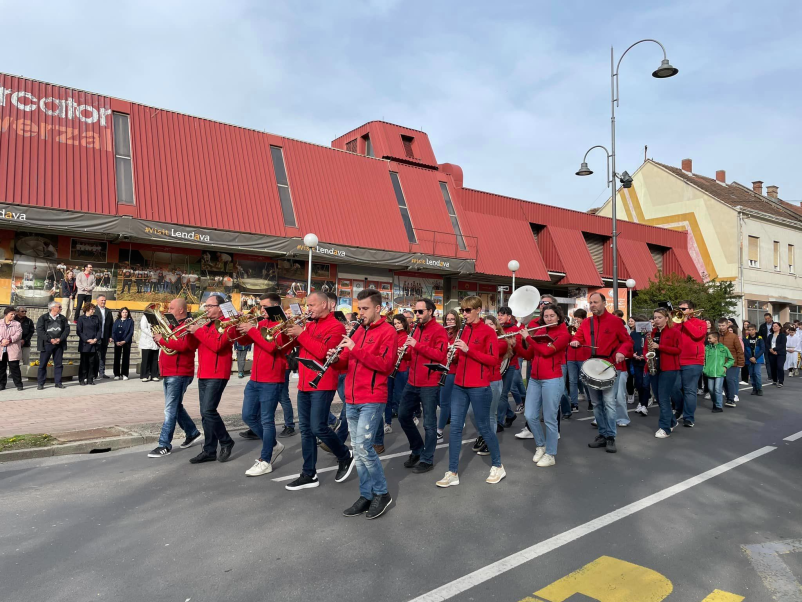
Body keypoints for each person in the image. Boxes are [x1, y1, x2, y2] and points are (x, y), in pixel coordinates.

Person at [329, 289, 396, 519]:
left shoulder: (388, 332)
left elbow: (386, 365)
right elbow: (347, 363)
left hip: (372, 397)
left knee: (366, 449)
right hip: (352, 397)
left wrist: (355, 349)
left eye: (365, 309)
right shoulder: (358, 330)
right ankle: (366, 494)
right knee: (358, 450)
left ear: (378, 308)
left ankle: (382, 493)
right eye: (359, 309)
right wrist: (337, 357)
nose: (361, 313)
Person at [283, 291, 355, 491]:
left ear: (325, 305)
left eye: (312, 305)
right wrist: (289, 331)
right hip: (304, 383)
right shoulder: (309, 324)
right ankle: (309, 474)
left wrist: (301, 334)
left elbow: (323, 353)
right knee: (305, 430)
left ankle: (345, 455)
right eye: (308, 305)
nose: (308, 309)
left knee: (318, 427)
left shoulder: (336, 326)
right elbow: (291, 345)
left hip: (323, 382)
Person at [436, 295, 505, 487]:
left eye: (467, 310)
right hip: (459, 384)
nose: (464, 314)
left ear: (477, 310)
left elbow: (492, 360)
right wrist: (454, 354)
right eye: (462, 310)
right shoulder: (463, 330)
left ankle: (498, 465)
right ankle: (452, 472)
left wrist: (467, 350)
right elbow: (462, 356)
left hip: (480, 386)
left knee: (483, 427)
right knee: (455, 427)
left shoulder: (488, 332)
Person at [234, 295, 289, 477]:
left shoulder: (283, 325)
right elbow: (243, 342)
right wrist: (239, 327)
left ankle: (265, 460)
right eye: (261, 306)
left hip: (272, 378)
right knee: (248, 416)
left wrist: (252, 330)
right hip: (255, 378)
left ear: (275, 307)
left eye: (265, 307)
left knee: (267, 420)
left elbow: (272, 347)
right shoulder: (261, 323)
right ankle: (273, 444)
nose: (261, 310)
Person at [570, 293, 632, 451]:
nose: (592, 305)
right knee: (597, 403)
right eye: (590, 302)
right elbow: (578, 337)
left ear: (604, 303)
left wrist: (622, 352)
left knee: (610, 403)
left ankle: (611, 436)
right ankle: (603, 434)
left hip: (610, 366)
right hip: (591, 366)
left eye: (595, 302)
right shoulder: (587, 323)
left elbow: (627, 341)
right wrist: (575, 341)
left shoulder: (616, 322)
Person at [395, 299, 448, 473]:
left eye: (420, 312)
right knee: (403, 415)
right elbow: (414, 354)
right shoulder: (416, 329)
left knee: (429, 424)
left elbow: (440, 355)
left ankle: (427, 459)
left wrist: (416, 345)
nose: (416, 315)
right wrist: (405, 354)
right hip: (412, 381)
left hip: (429, 383)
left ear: (430, 312)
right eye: (415, 311)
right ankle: (417, 449)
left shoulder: (439, 330)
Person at [147, 298, 202, 458]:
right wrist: (158, 339)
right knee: (175, 406)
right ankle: (192, 432)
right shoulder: (172, 325)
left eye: (171, 308)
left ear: (181, 311)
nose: (168, 311)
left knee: (169, 409)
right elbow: (167, 345)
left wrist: (163, 339)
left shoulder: (188, 326)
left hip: (180, 372)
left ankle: (164, 444)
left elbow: (184, 346)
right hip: (169, 371)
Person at [185, 294, 236, 464]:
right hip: (204, 372)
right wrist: (190, 332)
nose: (205, 309)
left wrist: (198, 331)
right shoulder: (204, 323)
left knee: (208, 410)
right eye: (205, 306)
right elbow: (193, 346)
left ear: (220, 307)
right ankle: (209, 450)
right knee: (205, 414)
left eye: (209, 306)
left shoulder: (228, 323)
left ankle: (226, 441)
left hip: (218, 372)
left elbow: (216, 345)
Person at [518, 304, 569, 467]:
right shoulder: (540, 331)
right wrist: (516, 343)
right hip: (535, 378)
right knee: (530, 415)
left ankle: (551, 454)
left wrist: (528, 338)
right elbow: (528, 354)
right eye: (546, 316)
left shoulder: (564, 334)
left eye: (552, 316)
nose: (548, 319)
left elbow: (547, 352)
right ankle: (541, 445)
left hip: (552, 379)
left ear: (558, 317)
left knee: (549, 418)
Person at [378, 313, 412, 452]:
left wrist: (403, 352)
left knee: (400, 397)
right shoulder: (391, 335)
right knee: (387, 398)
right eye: (395, 323)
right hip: (390, 369)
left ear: (404, 323)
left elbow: (410, 354)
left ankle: (410, 416)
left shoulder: (407, 336)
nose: (397, 325)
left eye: (399, 323)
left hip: (402, 369)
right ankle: (387, 423)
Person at [673, 300, 708, 428]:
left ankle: (688, 417)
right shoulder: (676, 323)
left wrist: (686, 321)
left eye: (683, 309)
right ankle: (680, 409)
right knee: (674, 387)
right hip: (676, 360)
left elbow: (698, 335)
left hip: (693, 361)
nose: (680, 311)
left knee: (690, 390)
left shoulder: (701, 323)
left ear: (691, 310)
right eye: (679, 309)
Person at [649, 308, 682, 438]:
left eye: (659, 317)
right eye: (655, 317)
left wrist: (659, 347)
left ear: (667, 319)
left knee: (663, 398)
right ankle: (672, 421)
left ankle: (665, 428)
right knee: (658, 397)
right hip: (654, 367)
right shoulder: (652, 332)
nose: (656, 320)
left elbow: (678, 350)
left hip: (669, 368)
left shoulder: (674, 332)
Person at [498, 306, 526, 423]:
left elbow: (518, 349)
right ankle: (509, 414)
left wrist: (513, 345)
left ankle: (499, 422)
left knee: (503, 394)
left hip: (510, 365)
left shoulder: (515, 329)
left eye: (502, 315)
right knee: (499, 393)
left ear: (509, 317)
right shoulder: (497, 328)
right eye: (498, 314)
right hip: (498, 365)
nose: (499, 317)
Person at [437, 309, 461, 440]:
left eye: (452, 319)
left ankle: (439, 431)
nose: (450, 322)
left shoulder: (459, 334)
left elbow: (459, 357)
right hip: (441, 370)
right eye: (448, 319)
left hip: (452, 372)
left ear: (456, 320)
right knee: (444, 402)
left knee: (446, 402)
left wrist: (450, 351)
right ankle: (456, 422)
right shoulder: (443, 333)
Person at [35, 301, 69, 390]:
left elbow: (66, 330)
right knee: (43, 364)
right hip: (47, 344)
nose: (61, 308)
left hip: (59, 344)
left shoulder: (62, 318)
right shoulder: (43, 318)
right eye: (59, 307)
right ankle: (41, 383)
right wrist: (50, 339)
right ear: (53, 308)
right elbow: (40, 330)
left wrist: (60, 339)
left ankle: (58, 382)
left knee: (58, 364)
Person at [566, 308, 590, 413]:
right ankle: (574, 404)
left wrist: (580, 331)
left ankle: (591, 401)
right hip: (571, 356)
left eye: (579, 318)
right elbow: (568, 339)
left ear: (583, 318)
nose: (577, 321)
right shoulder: (572, 327)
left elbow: (588, 340)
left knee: (585, 380)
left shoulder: (588, 326)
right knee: (572, 381)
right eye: (575, 318)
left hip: (582, 356)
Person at [717, 319, 745, 408]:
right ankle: (728, 397)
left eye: (723, 325)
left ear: (727, 326)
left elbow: (739, 350)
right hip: (720, 363)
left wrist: (741, 362)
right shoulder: (717, 337)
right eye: (720, 325)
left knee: (730, 379)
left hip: (732, 363)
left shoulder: (734, 336)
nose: (721, 327)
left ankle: (731, 399)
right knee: (724, 381)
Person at [703, 331, 733, 413]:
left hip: (720, 373)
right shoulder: (707, 348)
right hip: (710, 372)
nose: (708, 340)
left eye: (710, 338)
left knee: (717, 389)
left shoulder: (723, 348)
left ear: (716, 338)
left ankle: (718, 406)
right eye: (708, 338)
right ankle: (715, 402)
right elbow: (703, 360)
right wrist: (704, 368)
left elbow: (731, 359)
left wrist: (725, 366)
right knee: (710, 389)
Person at [629, 316, 652, 416]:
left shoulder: (649, 334)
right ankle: (640, 402)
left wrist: (645, 356)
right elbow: (630, 346)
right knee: (638, 383)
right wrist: (633, 354)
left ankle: (644, 405)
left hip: (647, 362)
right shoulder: (633, 334)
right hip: (636, 361)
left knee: (645, 384)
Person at [76, 302, 100, 386]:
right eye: (92, 309)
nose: (93, 311)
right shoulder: (81, 318)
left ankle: (90, 378)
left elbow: (99, 330)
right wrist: (87, 340)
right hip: (85, 344)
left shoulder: (96, 318)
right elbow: (79, 331)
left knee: (92, 362)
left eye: (94, 309)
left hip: (94, 343)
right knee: (84, 362)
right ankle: (82, 378)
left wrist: (96, 339)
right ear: (87, 309)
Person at [0, 306, 24, 391]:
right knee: (1, 367)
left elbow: (18, 334)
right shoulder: (0, 323)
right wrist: (2, 340)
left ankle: (19, 384)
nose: (13, 316)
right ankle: (2, 384)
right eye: (11, 314)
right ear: (6, 314)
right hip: (1, 348)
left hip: (12, 348)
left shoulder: (17, 324)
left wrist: (9, 340)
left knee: (14, 367)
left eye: (14, 314)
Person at [94, 294, 114, 379]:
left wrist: (110, 336)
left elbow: (111, 325)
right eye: (102, 300)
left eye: (104, 300)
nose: (103, 302)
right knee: (95, 355)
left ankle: (102, 372)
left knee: (103, 355)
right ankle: (94, 373)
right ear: (97, 301)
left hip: (105, 337)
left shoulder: (108, 311)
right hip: (95, 337)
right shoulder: (94, 310)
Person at [112, 307, 134, 380]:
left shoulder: (130, 321)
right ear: (120, 313)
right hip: (117, 341)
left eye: (126, 312)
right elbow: (113, 331)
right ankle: (116, 374)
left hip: (126, 342)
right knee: (117, 358)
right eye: (123, 312)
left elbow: (131, 332)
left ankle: (125, 374)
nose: (125, 314)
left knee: (126, 358)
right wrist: (116, 341)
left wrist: (125, 340)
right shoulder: (117, 321)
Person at [138, 312, 161, 382]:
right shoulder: (145, 317)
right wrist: (152, 334)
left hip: (155, 341)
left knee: (154, 358)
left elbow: (160, 326)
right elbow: (143, 328)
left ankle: (154, 375)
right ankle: (145, 375)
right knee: (146, 359)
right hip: (147, 340)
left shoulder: (158, 317)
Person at [743, 324, 765, 396]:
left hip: (757, 359)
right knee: (751, 374)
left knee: (757, 373)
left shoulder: (759, 338)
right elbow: (745, 350)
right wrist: (750, 357)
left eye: (752, 330)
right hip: (749, 359)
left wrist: (755, 357)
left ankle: (759, 389)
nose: (751, 331)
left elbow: (762, 349)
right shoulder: (745, 339)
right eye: (749, 330)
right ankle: (754, 388)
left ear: (755, 330)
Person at [766, 322, 787, 387]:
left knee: (780, 366)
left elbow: (782, 345)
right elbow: (767, 344)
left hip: (780, 353)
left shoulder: (782, 335)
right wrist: (771, 350)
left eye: (776, 326)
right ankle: (774, 380)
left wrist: (774, 349)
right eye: (773, 326)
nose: (774, 327)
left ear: (779, 327)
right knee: (773, 367)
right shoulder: (770, 335)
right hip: (771, 353)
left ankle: (781, 381)